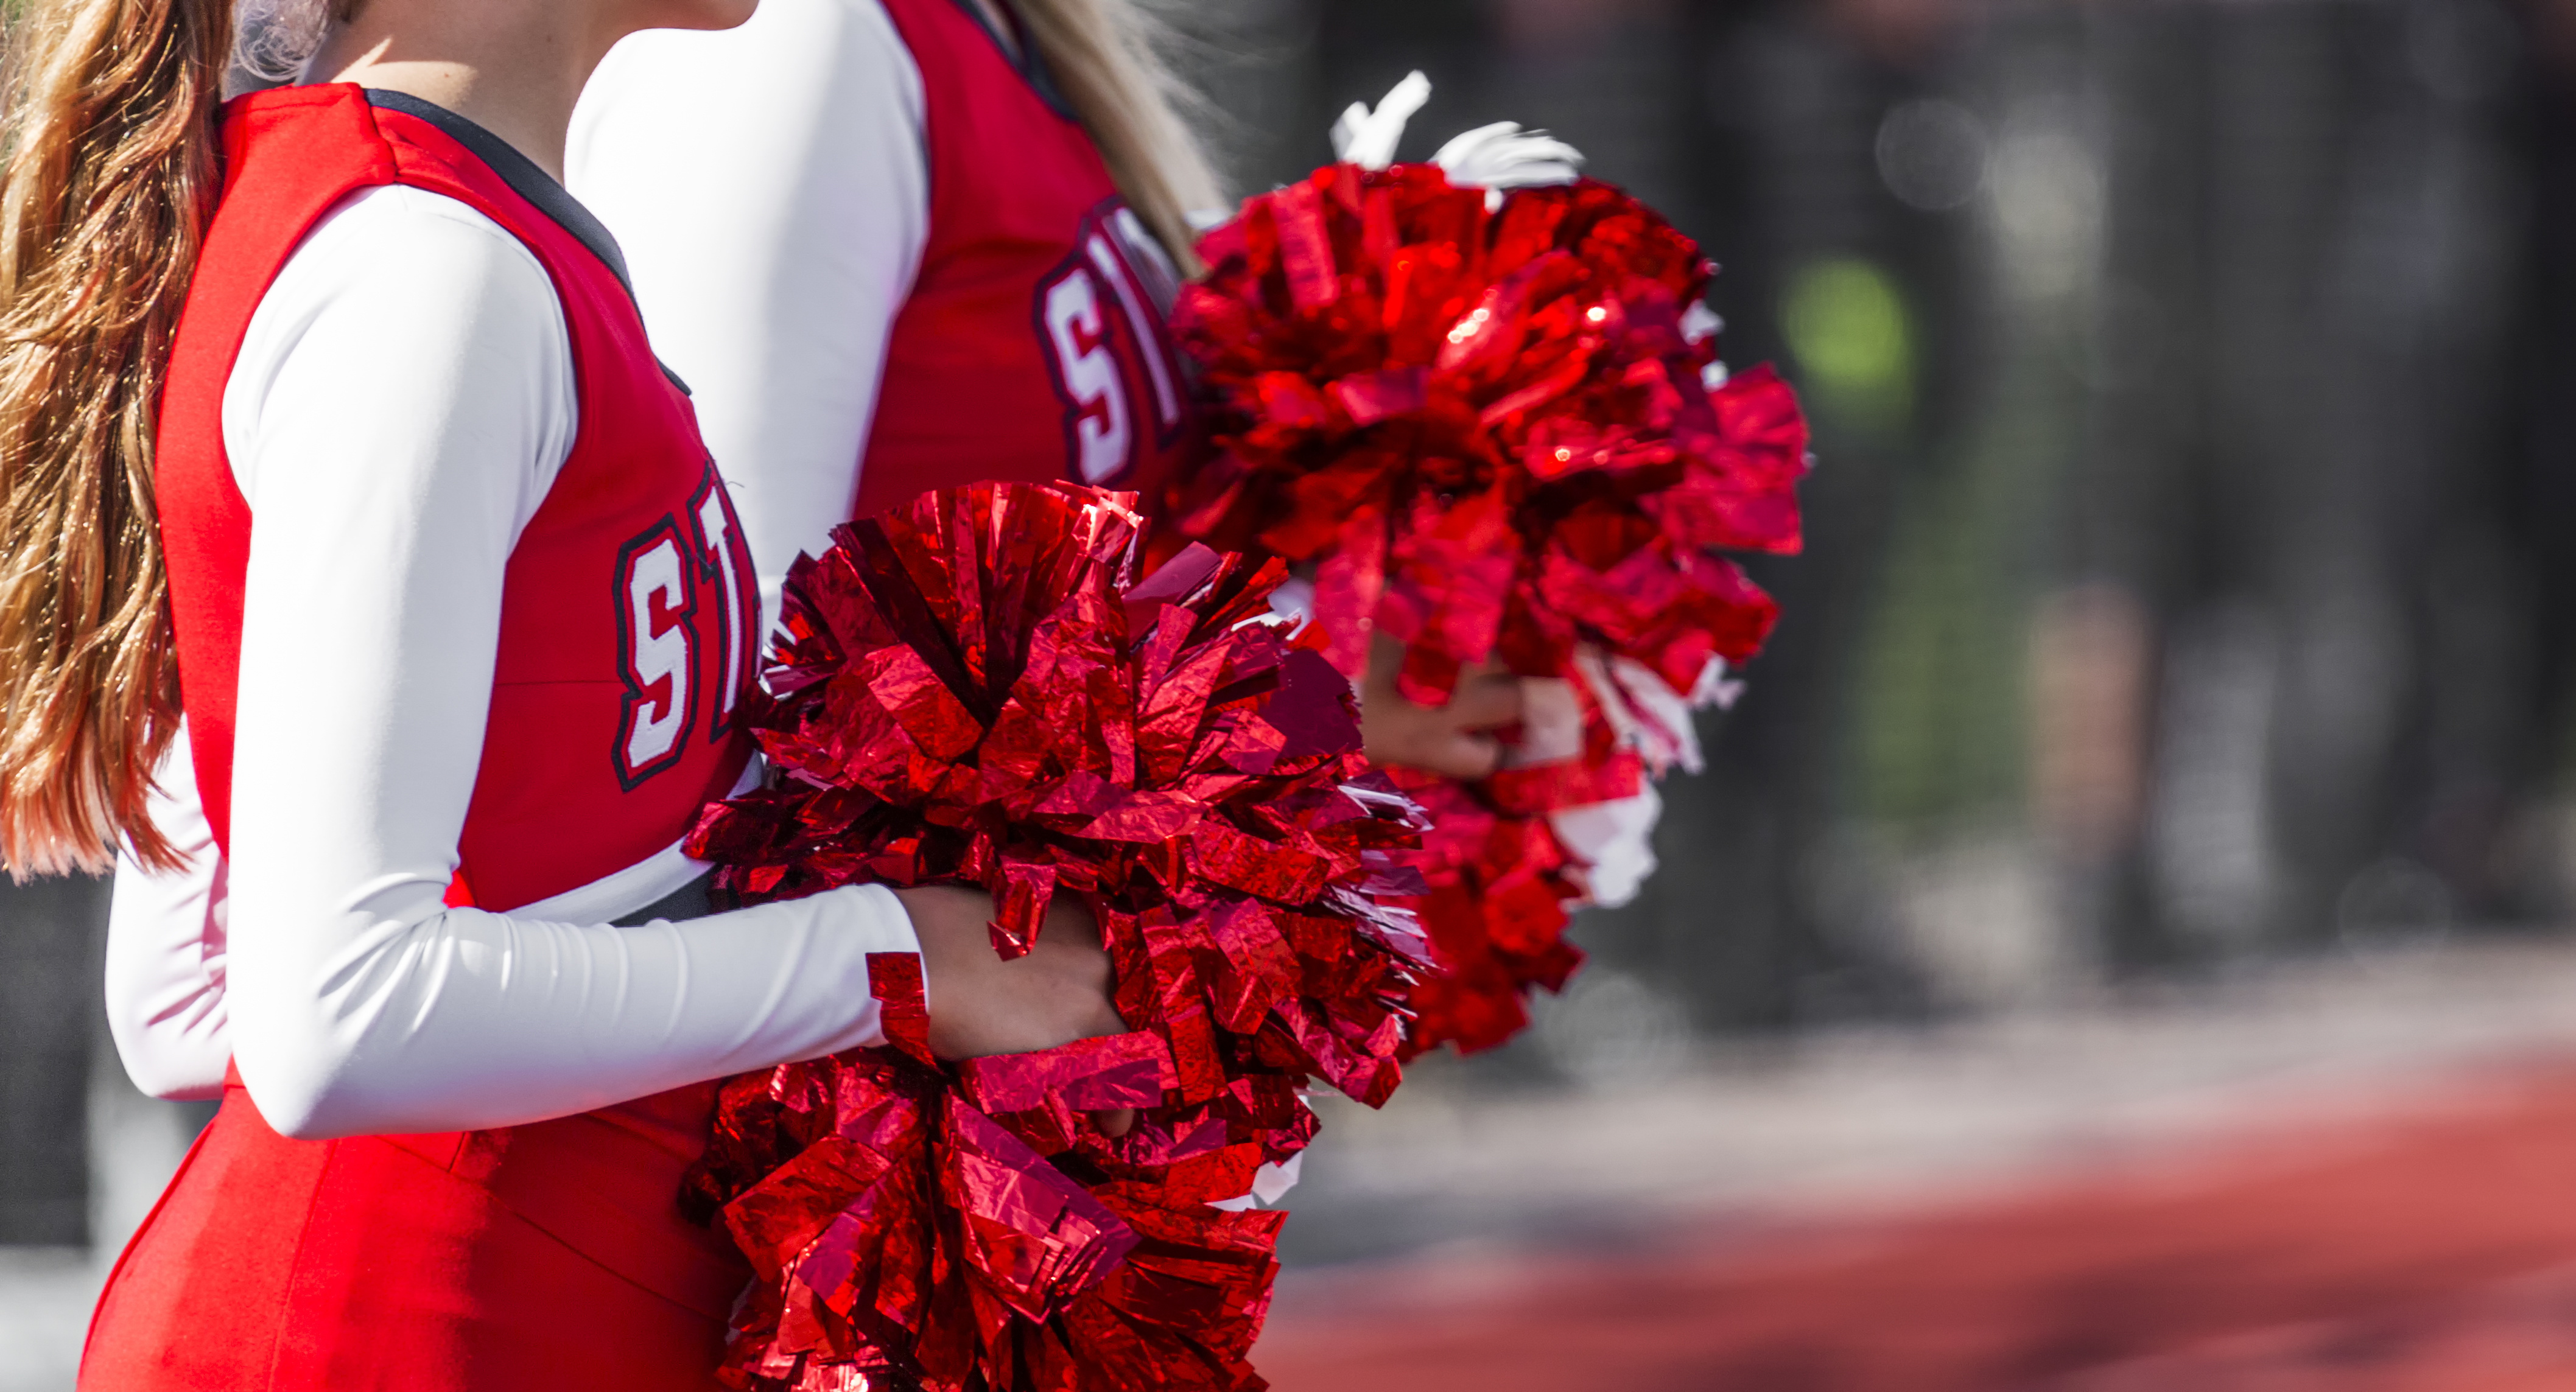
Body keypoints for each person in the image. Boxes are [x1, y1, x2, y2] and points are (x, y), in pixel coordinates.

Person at [0, 0, 1121, 1385]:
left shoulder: (414, 222)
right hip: (403, 1326)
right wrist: (894, 961)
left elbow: (187, 987)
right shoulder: (420, 268)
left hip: (516, 1304)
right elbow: (330, 1018)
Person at [564, 5, 1567, 784]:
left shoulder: (1010, 40)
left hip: (1033, 997)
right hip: (893, 1006)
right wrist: (1295, 685)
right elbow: (722, 673)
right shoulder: (788, 36)